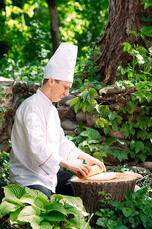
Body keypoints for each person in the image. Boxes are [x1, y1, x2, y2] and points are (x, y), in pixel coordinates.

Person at [9, 43, 105, 198]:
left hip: (49, 176)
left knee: (83, 188)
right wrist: (69, 165)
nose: (67, 93)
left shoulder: (52, 110)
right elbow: (37, 148)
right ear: (52, 81)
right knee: (43, 204)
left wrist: (85, 157)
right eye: (65, 87)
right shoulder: (31, 107)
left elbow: (61, 142)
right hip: (28, 178)